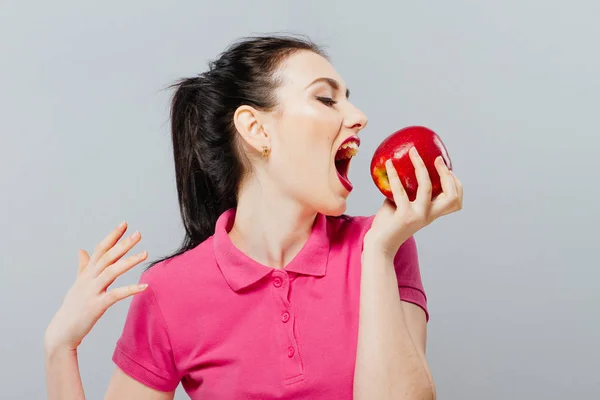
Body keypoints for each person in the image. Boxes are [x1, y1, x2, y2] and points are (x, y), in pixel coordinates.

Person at [44, 34, 463, 399]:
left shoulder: (385, 246)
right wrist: (60, 349)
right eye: (326, 98)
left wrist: (377, 254)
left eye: (348, 99)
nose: (358, 117)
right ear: (257, 130)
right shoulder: (168, 291)